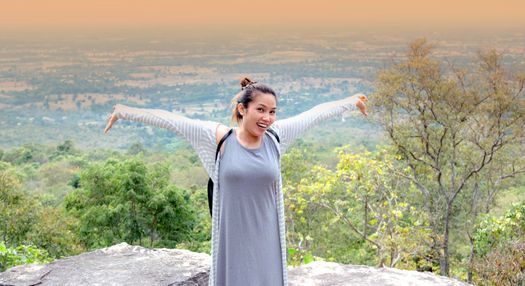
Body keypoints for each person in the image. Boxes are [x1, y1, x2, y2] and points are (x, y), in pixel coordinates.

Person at [104, 77, 368, 286]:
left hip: (267, 237)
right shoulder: (219, 138)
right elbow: (171, 120)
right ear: (242, 109)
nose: (267, 117)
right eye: (261, 110)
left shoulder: (276, 137)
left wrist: (350, 101)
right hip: (232, 239)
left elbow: (314, 114)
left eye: (273, 111)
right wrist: (124, 111)